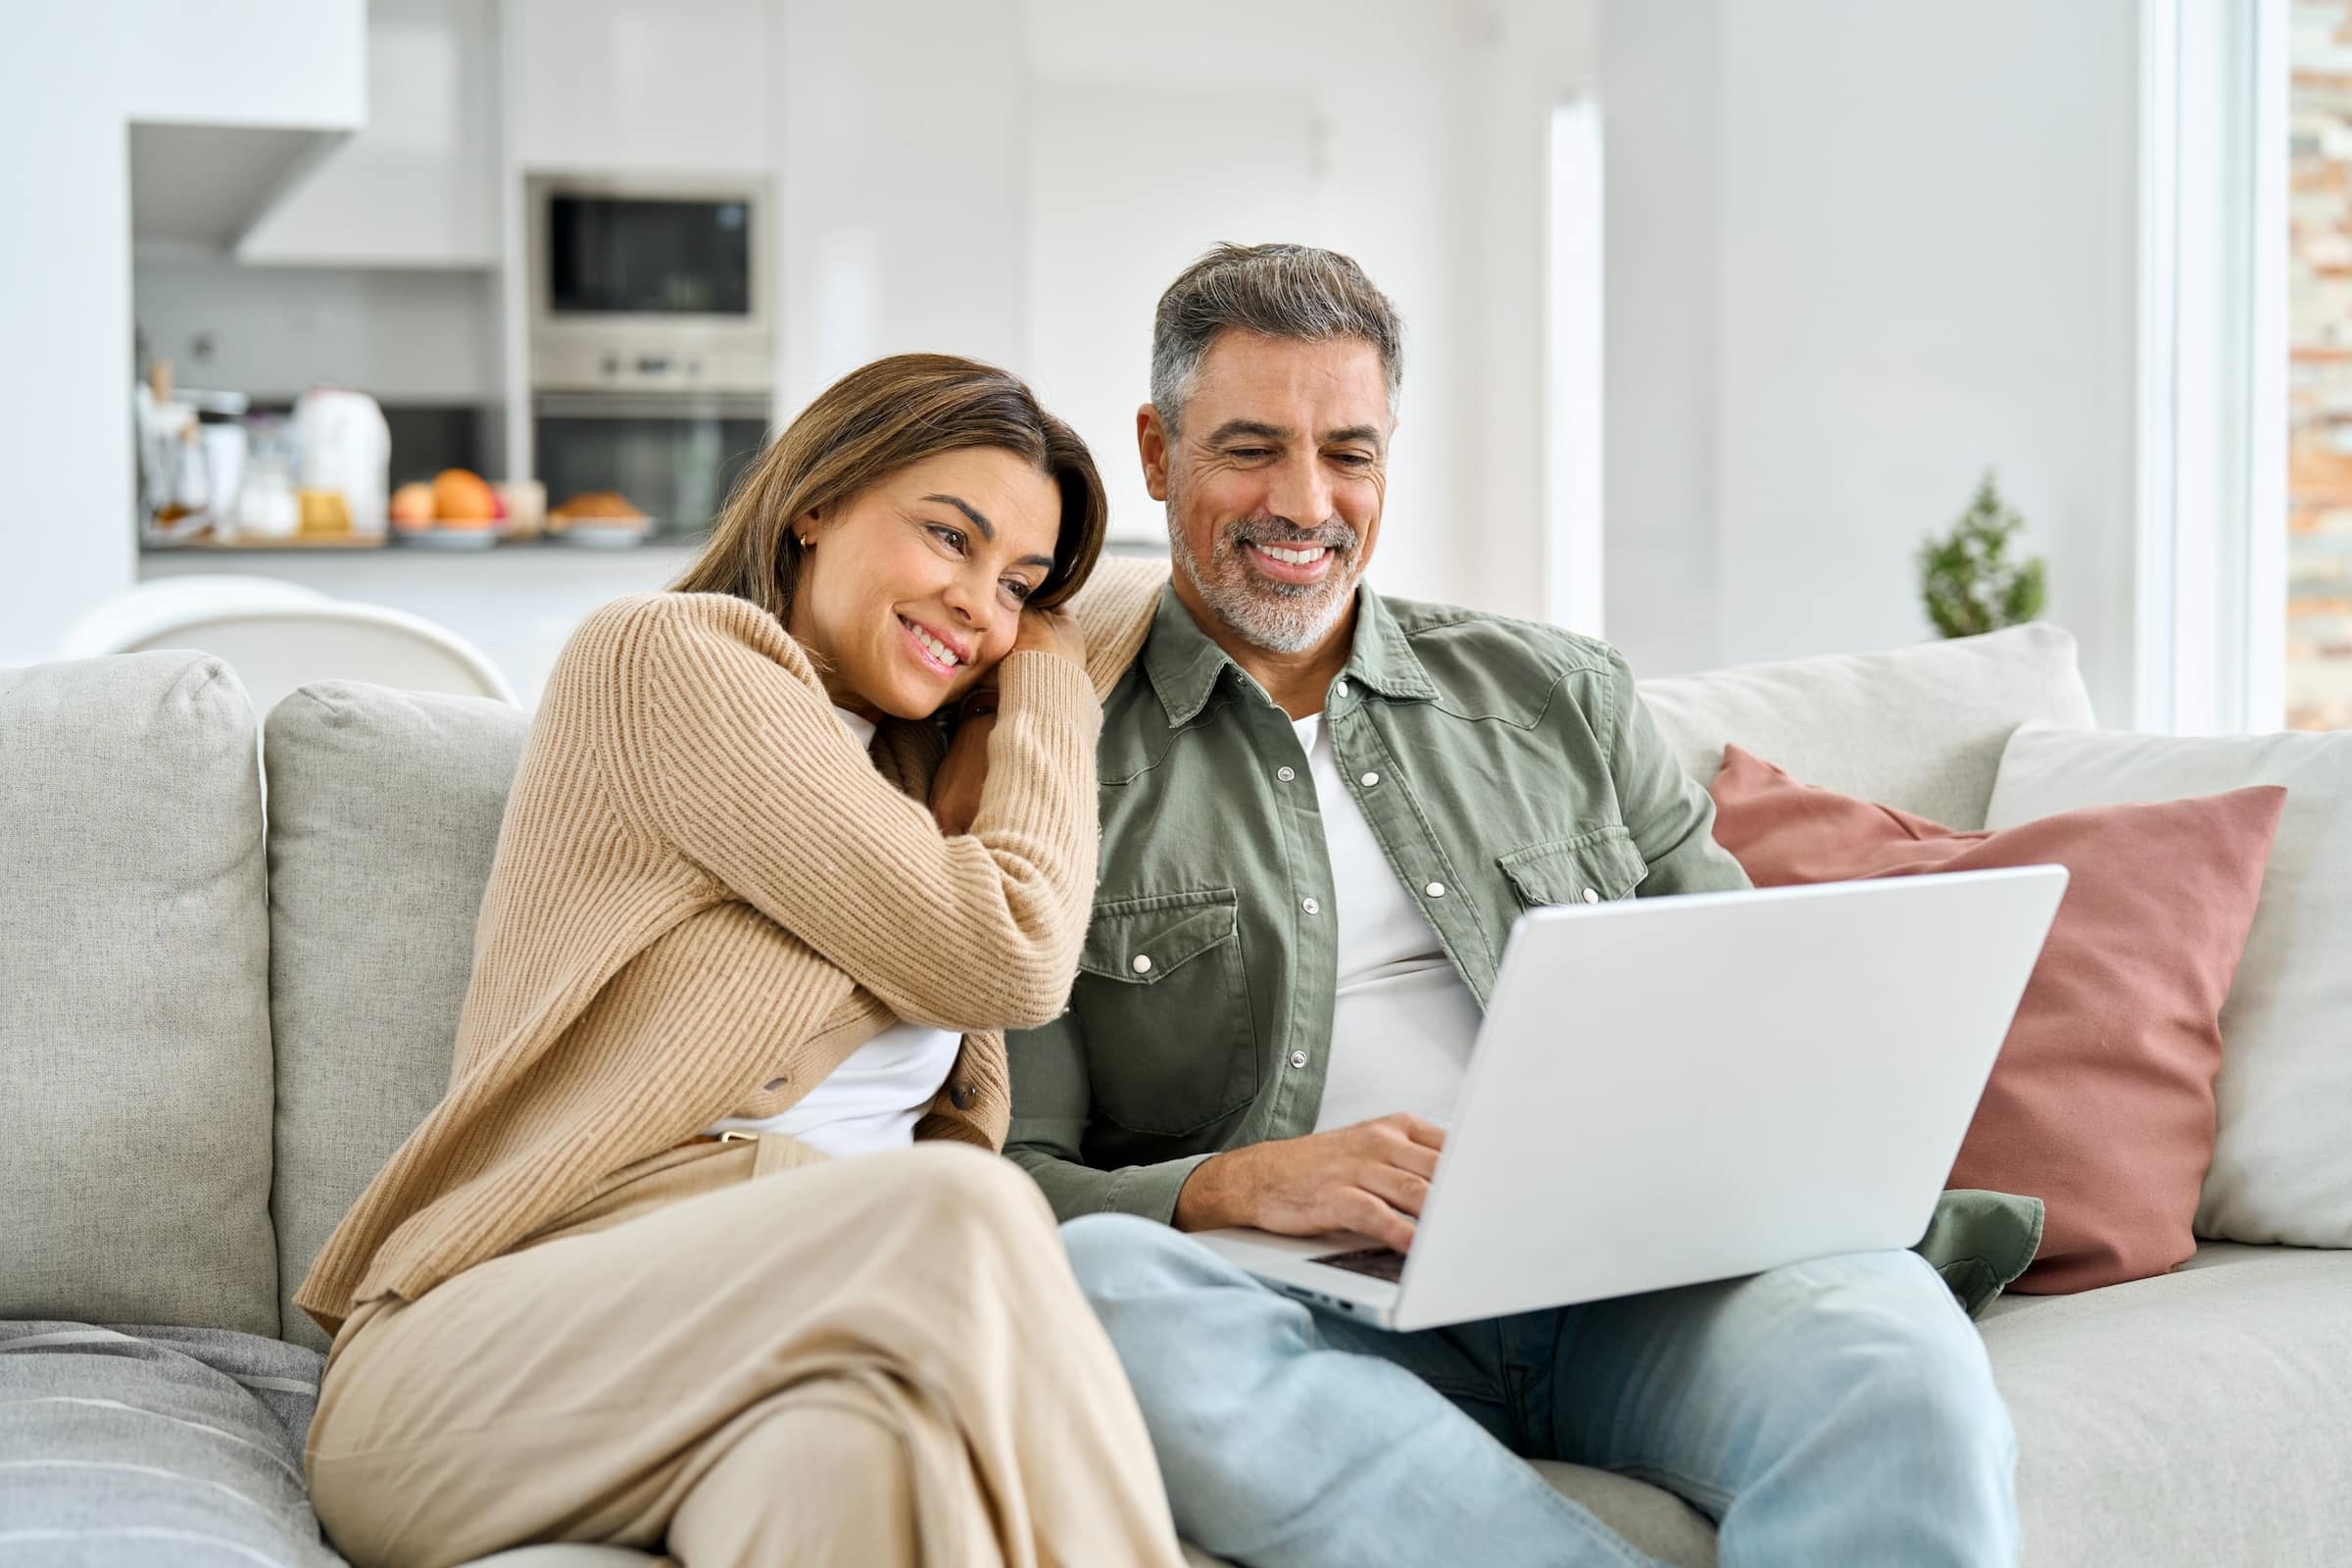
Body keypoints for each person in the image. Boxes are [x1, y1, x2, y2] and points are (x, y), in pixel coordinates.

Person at [998, 246, 2031, 1567]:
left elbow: (1747, 1001)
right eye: (1251, 449)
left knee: (1895, 1363)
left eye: (1350, 452)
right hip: (1305, 1307)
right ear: (1157, 450)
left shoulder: (1558, 696)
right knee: (1102, 1295)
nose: (1304, 502)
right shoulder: (1051, 751)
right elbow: (1007, 1181)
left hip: (1639, 1287)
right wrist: (1234, 1185)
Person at [295, 354, 1189, 1568]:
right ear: (816, 502)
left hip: (775, 1365)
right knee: (963, 1210)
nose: (981, 605)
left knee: (864, 1461)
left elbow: (1184, 588)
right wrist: (1043, 689)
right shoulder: (672, 661)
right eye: (948, 536)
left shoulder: (911, 780)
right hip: (481, 1365)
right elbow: (1009, 956)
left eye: (1019, 583)